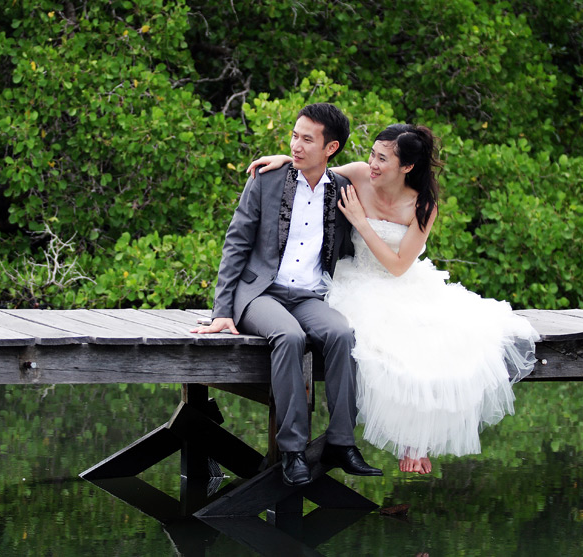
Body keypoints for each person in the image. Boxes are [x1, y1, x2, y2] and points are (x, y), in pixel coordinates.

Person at [247, 123, 539, 474]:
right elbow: (315, 172)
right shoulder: (357, 174)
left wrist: (361, 221)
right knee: (370, 340)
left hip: (400, 280)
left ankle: (414, 439)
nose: (371, 162)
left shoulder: (423, 205)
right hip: (356, 280)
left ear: (406, 167)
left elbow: (400, 266)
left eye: (382, 158)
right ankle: (357, 442)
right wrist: (284, 158)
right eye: (372, 153)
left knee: (435, 343)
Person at [190, 102, 382, 486]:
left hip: (310, 296)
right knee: (290, 336)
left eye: (307, 139)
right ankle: (293, 450)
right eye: (294, 136)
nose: (295, 145)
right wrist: (221, 310)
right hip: (260, 293)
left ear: (331, 148)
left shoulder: (343, 192)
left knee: (343, 335)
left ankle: (342, 443)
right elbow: (235, 245)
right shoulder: (266, 180)